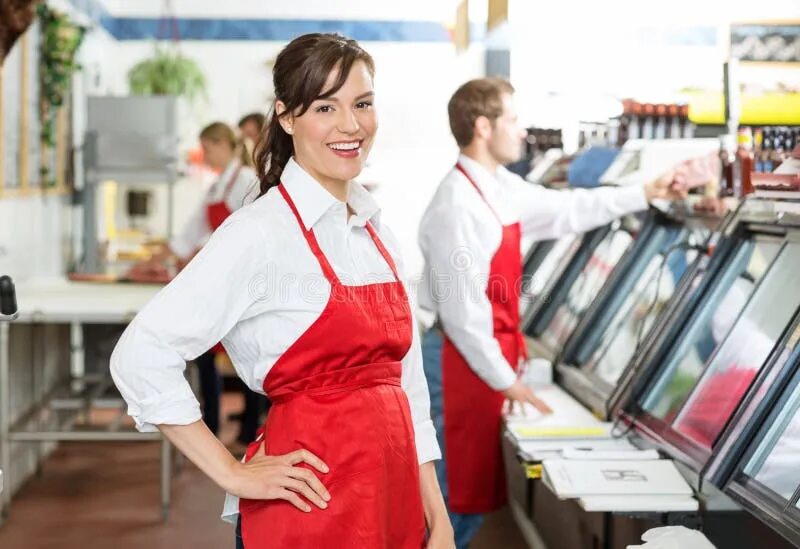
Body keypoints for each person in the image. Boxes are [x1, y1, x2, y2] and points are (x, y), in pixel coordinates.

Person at [111, 33, 453, 549]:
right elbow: (142, 353)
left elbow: (407, 388)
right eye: (325, 107)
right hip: (308, 509)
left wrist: (436, 512)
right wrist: (232, 472)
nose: (350, 125)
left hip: (392, 498)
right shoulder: (261, 232)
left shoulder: (375, 230)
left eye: (362, 103)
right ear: (287, 117)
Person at [418, 77, 689, 548]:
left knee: (469, 502)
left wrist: (646, 191)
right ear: (483, 126)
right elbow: (464, 315)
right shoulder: (456, 203)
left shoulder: (498, 187)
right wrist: (508, 380)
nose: (522, 132)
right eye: (514, 120)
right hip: (455, 363)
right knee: (448, 505)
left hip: (480, 361)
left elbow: (570, 210)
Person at [128, 121, 256, 439]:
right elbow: (192, 229)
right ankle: (212, 423)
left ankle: (248, 428)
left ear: (225, 145)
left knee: (249, 353)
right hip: (218, 282)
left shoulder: (246, 181)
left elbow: (248, 229)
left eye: (209, 147)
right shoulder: (217, 186)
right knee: (208, 352)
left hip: (238, 283)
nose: (206, 154)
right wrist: (165, 253)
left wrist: (200, 248)